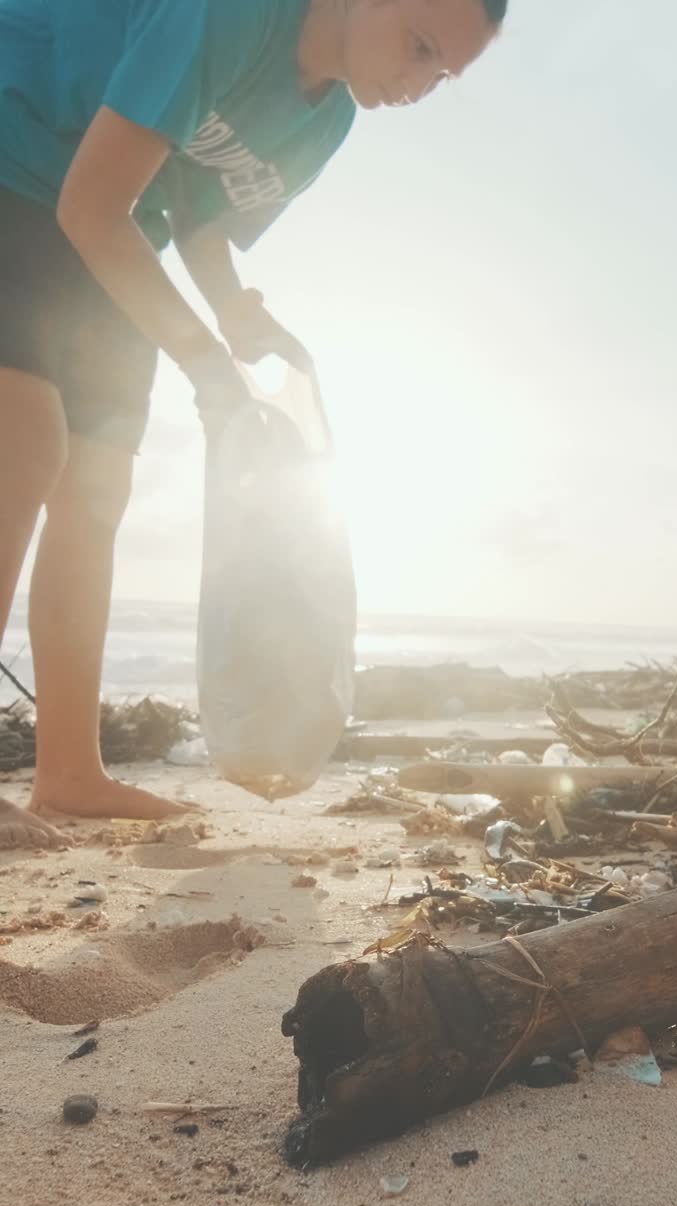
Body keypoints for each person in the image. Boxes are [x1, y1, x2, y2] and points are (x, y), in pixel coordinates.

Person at [0, 0, 507, 850]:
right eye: (419, 46)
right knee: (25, 442)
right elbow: (91, 205)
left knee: (98, 488)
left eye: (442, 74)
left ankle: (69, 772)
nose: (420, 84)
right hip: (21, 154)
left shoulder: (329, 117)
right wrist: (202, 366)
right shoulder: (230, 15)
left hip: (122, 224)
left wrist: (235, 313)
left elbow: (198, 210)